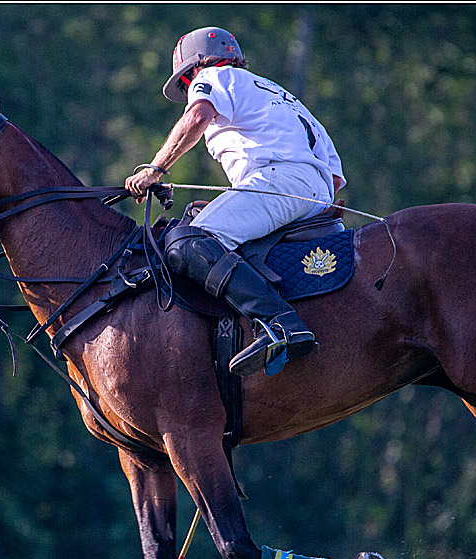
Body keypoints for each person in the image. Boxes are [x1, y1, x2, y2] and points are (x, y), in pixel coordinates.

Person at [126, 26, 346, 377]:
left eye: (185, 84)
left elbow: (197, 117)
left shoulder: (213, 76)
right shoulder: (286, 98)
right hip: (315, 196)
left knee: (188, 242)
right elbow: (334, 179)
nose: (187, 91)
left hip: (279, 181)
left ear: (194, 70)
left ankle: (280, 323)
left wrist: (155, 169)